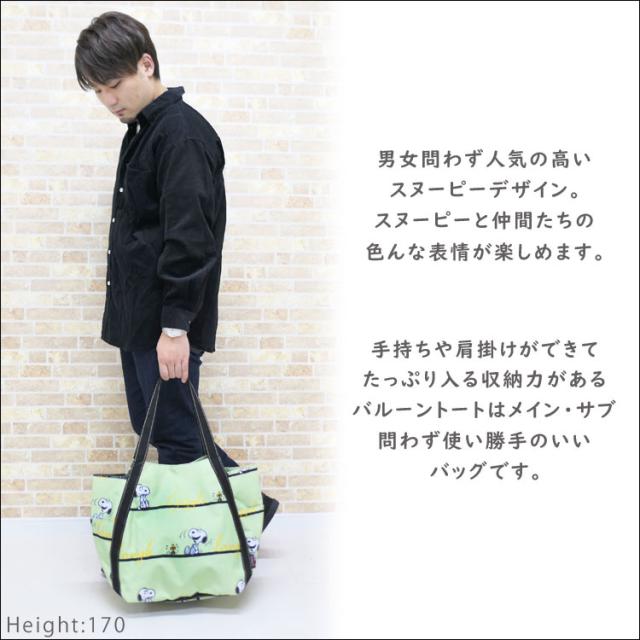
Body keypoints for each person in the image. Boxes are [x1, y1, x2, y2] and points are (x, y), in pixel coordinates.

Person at [74, 10, 279, 531]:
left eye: (114, 85)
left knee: (178, 435)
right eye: (98, 92)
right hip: (139, 316)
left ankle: (219, 534)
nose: (109, 101)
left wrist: (174, 328)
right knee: (166, 427)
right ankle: (245, 513)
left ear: (146, 64)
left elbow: (191, 239)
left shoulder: (182, 134)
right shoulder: (144, 130)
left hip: (163, 322)